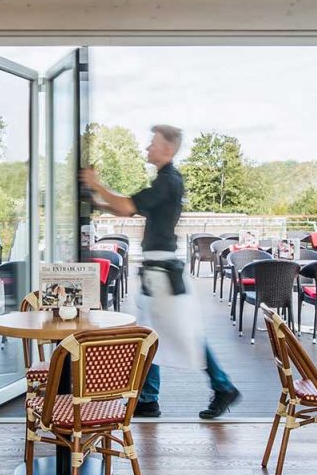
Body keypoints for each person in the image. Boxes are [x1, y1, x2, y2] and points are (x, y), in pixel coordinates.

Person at [81, 124, 241, 419]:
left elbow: (128, 204)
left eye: (152, 143)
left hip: (163, 272)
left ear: (167, 149)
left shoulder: (168, 181)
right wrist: (97, 202)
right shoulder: (164, 183)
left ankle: (221, 386)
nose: (147, 148)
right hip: (158, 271)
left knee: (181, 334)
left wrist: (97, 184)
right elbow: (128, 209)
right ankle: (149, 397)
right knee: (150, 333)